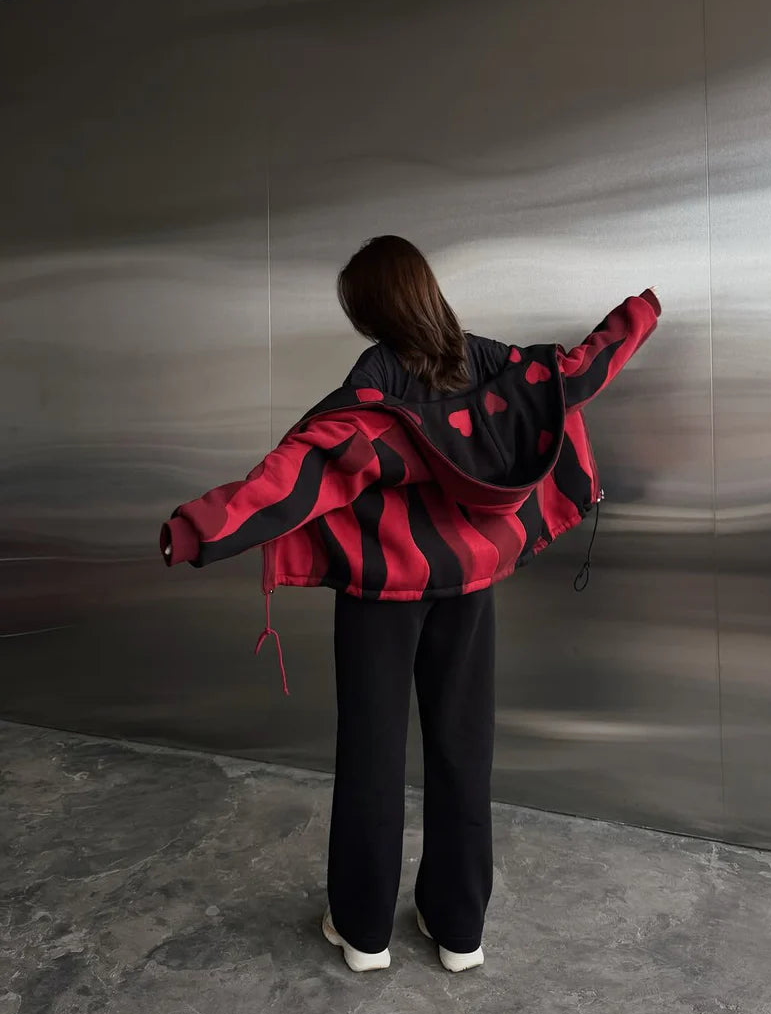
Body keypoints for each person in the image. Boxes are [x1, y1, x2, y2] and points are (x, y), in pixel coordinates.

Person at [160, 234, 661, 974]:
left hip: (382, 595)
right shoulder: (490, 364)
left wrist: (193, 531)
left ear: (372, 310)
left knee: (372, 755)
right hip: (467, 584)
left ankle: (364, 933)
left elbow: (296, 475)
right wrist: (639, 316)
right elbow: (577, 372)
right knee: (464, 749)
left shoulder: (374, 383)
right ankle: (460, 930)